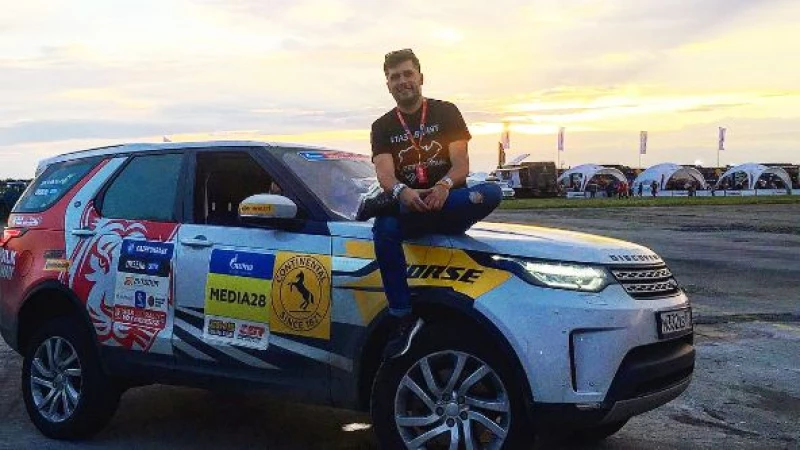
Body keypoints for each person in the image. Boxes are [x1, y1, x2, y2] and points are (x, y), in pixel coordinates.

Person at [356, 49, 502, 359]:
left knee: (491, 192)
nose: (402, 81)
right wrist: (402, 192)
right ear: (387, 84)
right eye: (395, 77)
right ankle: (402, 318)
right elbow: (385, 175)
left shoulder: (446, 112)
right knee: (384, 228)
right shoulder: (382, 126)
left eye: (408, 74)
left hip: (450, 203)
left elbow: (461, 165)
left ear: (421, 77)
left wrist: (443, 186)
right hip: (410, 208)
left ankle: (385, 204)